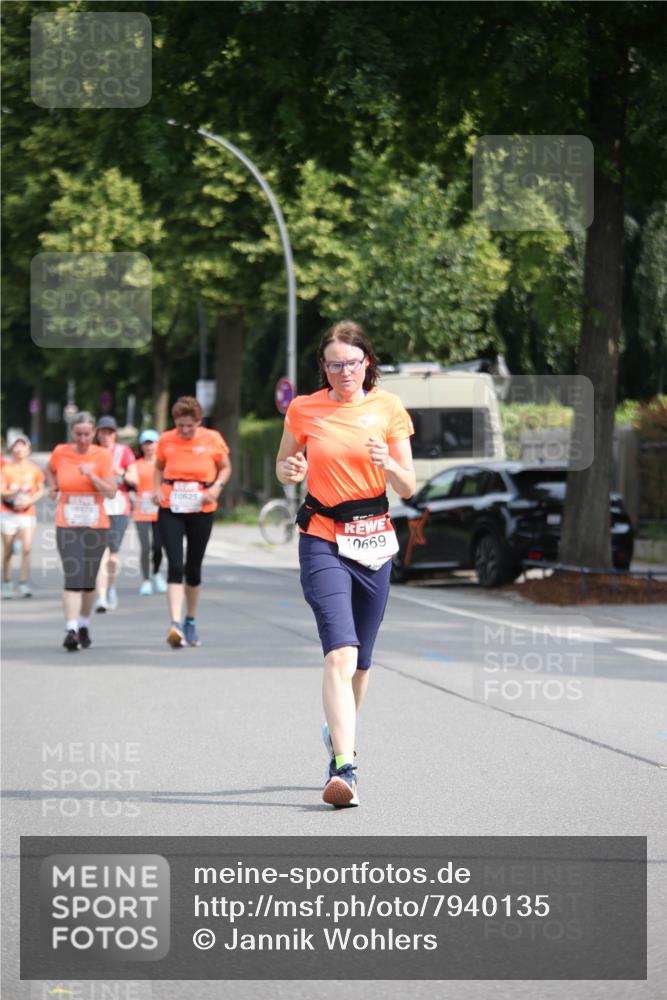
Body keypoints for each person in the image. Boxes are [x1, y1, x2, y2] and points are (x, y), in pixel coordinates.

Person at [276, 321, 415, 808]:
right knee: (340, 651)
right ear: (324, 368)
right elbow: (285, 464)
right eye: (334, 365)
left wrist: (389, 463)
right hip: (322, 537)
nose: (343, 372)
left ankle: (339, 734)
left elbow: (409, 486)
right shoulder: (304, 408)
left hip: (374, 540)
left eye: (351, 363)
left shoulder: (389, 408)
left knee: (362, 662)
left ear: (367, 363)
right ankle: (344, 764)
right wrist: (290, 470)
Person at [153, 396, 231, 648]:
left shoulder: (213, 439)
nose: (185, 430)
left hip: (202, 505)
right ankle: (174, 624)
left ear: (198, 421)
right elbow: (158, 466)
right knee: (175, 565)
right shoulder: (166, 440)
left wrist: (217, 488)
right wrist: (156, 488)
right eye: (180, 425)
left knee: (193, 568)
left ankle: (190, 620)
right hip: (171, 506)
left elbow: (226, 467)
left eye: (190, 425)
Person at [44, 412, 117, 651]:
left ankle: (84, 623)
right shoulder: (61, 452)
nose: (83, 439)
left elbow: (111, 492)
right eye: (78, 434)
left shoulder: (102, 456)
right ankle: (71, 628)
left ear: (94, 432)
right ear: (72, 433)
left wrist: (92, 475)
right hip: (67, 523)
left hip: (96, 525)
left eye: (87, 434)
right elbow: (49, 469)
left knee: (88, 580)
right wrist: (53, 486)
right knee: (73, 576)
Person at [93, 416, 135, 612]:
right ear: (97, 432)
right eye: (102, 431)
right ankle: (101, 597)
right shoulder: (92, 452)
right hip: (97, 506)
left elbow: (135, 479)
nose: (106, 435)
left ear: (114, 434)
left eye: (109, 432)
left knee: (113, 556)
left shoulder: (123, 452)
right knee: (101, 553)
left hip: (119, 507)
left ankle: (110, 587)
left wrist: (122, 473)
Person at [1, 431, 45, 598]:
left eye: (22, 446)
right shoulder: (5, 469)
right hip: (7, 513)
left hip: (27, 513)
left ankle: (23, 582)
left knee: (27, 548)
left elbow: (41, 490)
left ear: (28, 450)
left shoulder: (34, 470)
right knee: (7, 551)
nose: (19, 450)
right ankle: (6, 581)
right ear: (12, 450)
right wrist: (12, 494)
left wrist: (29, 500)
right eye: (16, 447)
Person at [123, 429, 167, 596]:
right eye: (146, 444)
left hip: (159, 509)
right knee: (145, 546)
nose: (149, 447)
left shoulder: (163, 465)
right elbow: (129, 486)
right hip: (141, 510)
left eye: (152, 443)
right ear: (141, 446)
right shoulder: (136, 465)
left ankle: (156, 573)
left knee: (157, 546)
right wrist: (133, 497)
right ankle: (146, 580)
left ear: (157, 445)